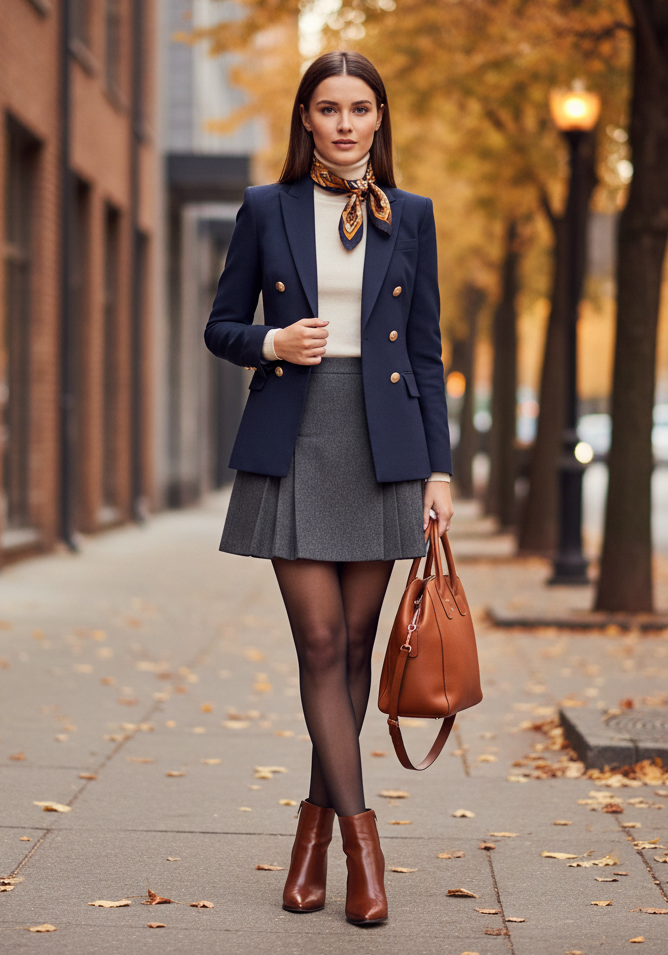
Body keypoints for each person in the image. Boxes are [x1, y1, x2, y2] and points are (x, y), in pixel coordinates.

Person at [205, 51, 453, 927]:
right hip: (295, 436)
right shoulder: (266, 208)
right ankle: (362, 846)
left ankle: (310, 838)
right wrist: (273, 343)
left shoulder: (412, 216)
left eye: (359, 108)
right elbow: (221, 326)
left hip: (384, 440)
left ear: (380, 118)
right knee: (318, 645)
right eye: (327, 108)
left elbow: (425, 355)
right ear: (305, 119)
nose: (344, 123)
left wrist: (439, 470)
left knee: (354, 651)